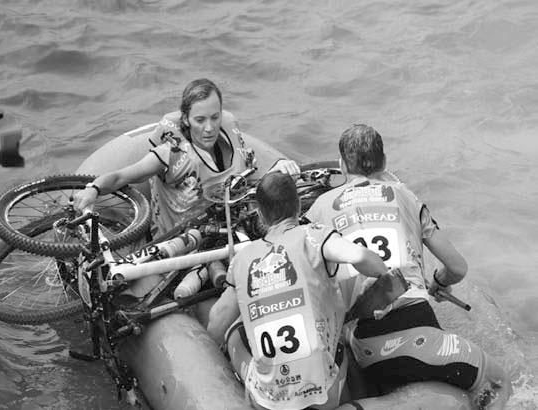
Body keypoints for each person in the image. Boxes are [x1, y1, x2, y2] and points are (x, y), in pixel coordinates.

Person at [304, 124, 512, 409]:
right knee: (498, 383)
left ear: (342, 165)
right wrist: (439, 281)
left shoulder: (319, 207)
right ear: (384, 162)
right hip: (412, 336)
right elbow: (457, 268)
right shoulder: (405, 196)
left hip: (362, 343)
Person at [207, 172, 389, 410]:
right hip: (323, 396)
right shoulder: (315, 236)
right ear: (299, 206)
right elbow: (361, 257)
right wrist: (383, 275)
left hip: (270, 402)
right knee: (341, 340)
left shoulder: (242, 259)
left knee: (234, 332)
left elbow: (215, 325)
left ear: (260, 215)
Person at [73, 78, 299, 234]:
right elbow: (121, 176)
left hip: (229, 229)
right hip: (181, 241)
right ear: (186, 120)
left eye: (215, 117)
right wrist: (93, 189)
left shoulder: (232, 139)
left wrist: (279, 166)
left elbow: (250, 180)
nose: (209, 128)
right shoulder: (170, 154)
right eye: (200, 120)